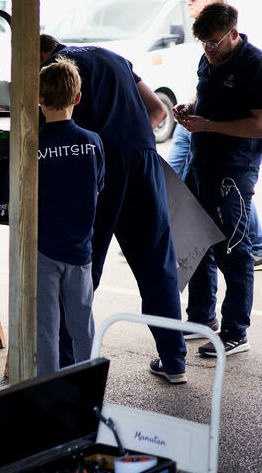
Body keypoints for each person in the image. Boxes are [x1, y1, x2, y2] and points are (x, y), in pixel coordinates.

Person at [40, 34, 188, 384]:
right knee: (157, 263)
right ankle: (174, 360)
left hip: (101, 161)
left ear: (42, 54)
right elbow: (158, 110)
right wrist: (129, 139)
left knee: (81, 262)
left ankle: (64, 364)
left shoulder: (56, 66)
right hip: (144, 160)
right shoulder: (115, 56)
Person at [175, 2, 262, 358]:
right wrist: (191, 107)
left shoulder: (254, 66)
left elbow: (259, 124)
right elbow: (204, 92)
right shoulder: (208, 58)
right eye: (203, 44)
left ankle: (235, 331)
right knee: (197, 238)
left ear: (233, 33)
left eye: (213, 43)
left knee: (233, 250)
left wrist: (209, 125)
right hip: (201, 162)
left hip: (233, 170)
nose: (208, 50)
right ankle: (201, 317)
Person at [36, 58, 105, 375]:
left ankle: (45, 396)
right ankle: (87, 393)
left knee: (46, 331)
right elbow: (99, 185)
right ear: (78, 98)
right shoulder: (92, 143)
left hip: (43, 249)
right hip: (80, 250)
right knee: (82, 327)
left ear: (39, 99)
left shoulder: (33, 144)